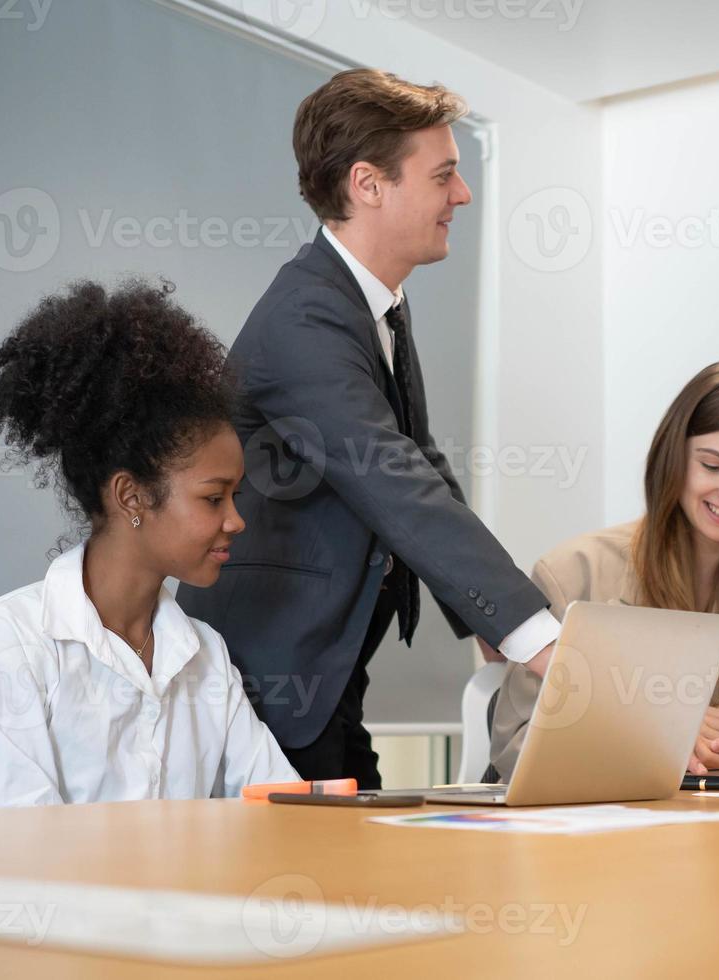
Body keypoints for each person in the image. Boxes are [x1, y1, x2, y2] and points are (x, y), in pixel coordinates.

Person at [176, 69, 557, 788]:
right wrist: (537, 637)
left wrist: (485, 612)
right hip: (270, 674)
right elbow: (390, 478)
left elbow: (420, 462)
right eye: (443, 175)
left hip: (325, 669)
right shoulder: (306, 318)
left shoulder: (371, 305)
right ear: (367, 184)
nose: (462, 194)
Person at [0, 280, 298, 811]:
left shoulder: (204, 655)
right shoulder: (9, 646)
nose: (237, 521)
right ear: (132, 496)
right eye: (214, 499)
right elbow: (26, 858)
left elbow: (280, 803)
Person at [489, 361, 719, 781]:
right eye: (712, 466)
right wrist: (660, 733)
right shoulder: (573, 571)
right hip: (591, 822)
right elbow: (514, 745)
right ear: (672, 456)